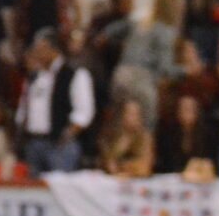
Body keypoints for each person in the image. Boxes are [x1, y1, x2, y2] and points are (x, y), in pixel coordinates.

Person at [16, 27, 94, 174]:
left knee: (59, 184)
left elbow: (84, 111)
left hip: (59, 145)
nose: (37, 53)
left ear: (52, 49)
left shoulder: (74, 74)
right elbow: (24, 107)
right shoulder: (34, 77)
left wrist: (67, 134)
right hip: (33, 142)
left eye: (40, 49)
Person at [99, 97, 155, 176]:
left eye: (136, 114)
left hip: (137, 179)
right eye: (129, 114)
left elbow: (145, 168)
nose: (133, 118)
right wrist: (122, 143)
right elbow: (109, 165)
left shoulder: (145, 138)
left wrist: (124, 167)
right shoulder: (110, 137)